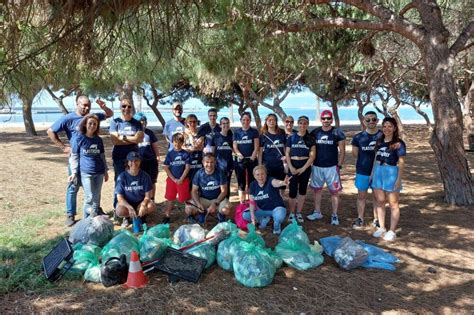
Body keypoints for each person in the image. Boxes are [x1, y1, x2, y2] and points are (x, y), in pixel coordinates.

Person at [47, 96, 113, 226]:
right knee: (73, 185)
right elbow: (50, 131)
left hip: (92, 159)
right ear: (77, 104)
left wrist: (103, 106)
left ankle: (94, 210)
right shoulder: (68, 118)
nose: (86, 108)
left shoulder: (92, 117)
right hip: (77, 158)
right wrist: (63, 147)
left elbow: (110, 114)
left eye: (88, 105)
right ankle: (70, 214)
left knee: (94, 189)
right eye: (83, 105)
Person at [307, 110, 346, 225]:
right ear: (321, 119)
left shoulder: (337, 132)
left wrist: (338, 165)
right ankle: (317, 212)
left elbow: (342, 151)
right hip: (317, 166)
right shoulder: (315, 132)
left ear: (332, 119)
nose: (326, 120)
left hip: (332, 167)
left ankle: (334, 215)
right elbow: (309, 147)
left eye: (328, 118)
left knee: (334, 192)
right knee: (317, 191)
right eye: (324, 118)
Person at [371, 117, 406, 241]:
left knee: (393, 203)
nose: (387, 129)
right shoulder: (379, 141)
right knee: (380, 201)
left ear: (394, 128)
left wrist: (398, 179)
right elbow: (376, 157)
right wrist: (372, 174)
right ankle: (381, 227)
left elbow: (401, 162)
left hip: (391, 172)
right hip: (378, 171)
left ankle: (392, 230)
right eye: (384, 126)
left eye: (389, 126)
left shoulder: (399, 143)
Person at [69, 114, 109, 218]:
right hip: (86, 173)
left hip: (99, 172)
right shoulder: (79, 139)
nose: (92, 125)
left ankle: (93, 220)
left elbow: (102, 156)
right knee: (89, 197)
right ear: (85, 124)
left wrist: (105, 171)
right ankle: (86, 219)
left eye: (95, 124)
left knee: (96, 198)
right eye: (90, 123)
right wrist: (73, 172)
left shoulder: (99, 140)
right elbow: (74, 156)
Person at [109, 98, 144, 208]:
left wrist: (122, 137)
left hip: (134, 159)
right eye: (124, 106)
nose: (126, 108)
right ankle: (118, 208)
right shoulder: (115, 122)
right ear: (120, 108)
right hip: (119, 158)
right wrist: (132, 138)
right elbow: (115, 140)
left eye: (129, 106)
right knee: (119, 182)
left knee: (133, 183)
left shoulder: (137, 123)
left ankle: (133, 206)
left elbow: (139, 139)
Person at [351, 111, 382, 229]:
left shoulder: (382, 136)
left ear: (377, 121)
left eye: (373, 119)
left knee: (377, 196)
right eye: (368, 120)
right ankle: (360, 218)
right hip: (362, 171)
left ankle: (377, 219)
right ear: (364, 122)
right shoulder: (358, 137)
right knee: (361, 195)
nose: (371, 122)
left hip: (378, 172)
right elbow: (355, 154)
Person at [285, 115, 316, 223]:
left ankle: (298, 213)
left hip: (305, 167)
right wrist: (291, 167)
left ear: (307, 124)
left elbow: (312, 156)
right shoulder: (291, 137)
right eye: (301, 123)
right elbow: (287, 153)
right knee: (292, 192)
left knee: (302, 191)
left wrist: (303, 168)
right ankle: (291, 213)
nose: (302, 125)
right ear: (298, 124)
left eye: (305, 123)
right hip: (293, 166)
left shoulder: (310, 139)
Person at [242, 165, 290, 235]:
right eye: (257, 175)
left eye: (262, 174)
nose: (260, 177)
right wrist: (252, 215)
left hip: (276, 209)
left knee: (279, 216)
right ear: (254, 176)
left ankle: (277, 225)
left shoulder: (270, 180)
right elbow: (252, 202)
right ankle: (263, 219)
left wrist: (283, 182)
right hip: (262, 210)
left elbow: (276, 182)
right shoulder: (253, 185)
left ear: (266, 174)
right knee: (246, 215)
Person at [186, 153, 232, 224]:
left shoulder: (220, 173)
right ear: (203, 162)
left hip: (217, 199)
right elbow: (194, 191)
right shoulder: (199, 174)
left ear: (215, 162)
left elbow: (224, 191)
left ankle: (220, 216)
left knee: (225, 210)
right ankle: (200, 214)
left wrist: (215, 203)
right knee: (188, 209)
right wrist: (198, 204)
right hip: (203, 199)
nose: (209, 165)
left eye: (212, 162)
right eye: (207, 162)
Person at [115, 151, 157, 227]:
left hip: (140, 202)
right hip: (127, 203)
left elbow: (148, 196)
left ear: (140, 162)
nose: (134, 163)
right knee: (119, 211)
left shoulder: (145, 176)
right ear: (127, 162)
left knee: (151, 206)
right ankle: (126, 218)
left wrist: (143, 204)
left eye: (136, 160)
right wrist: (129, 207)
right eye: (131, 161)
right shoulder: (122, 177)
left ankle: (141, 217)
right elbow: (119, 197)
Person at [162, 133, 191, 223]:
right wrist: (173, 179)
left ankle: (189, 215)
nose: (177, 144)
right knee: (170, 198)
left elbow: (187, 167)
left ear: (182, 143)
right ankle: (167, 215)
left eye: (179, 142)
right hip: (172, 180)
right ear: (172, 142)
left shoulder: (185, 154)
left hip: (183, 180)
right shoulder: (170, 154)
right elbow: (166, 167)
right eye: (175, 142)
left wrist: (181, 178)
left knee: (185, 198)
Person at [233, 112, 260, 203]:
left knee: (252, 182)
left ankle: (252, 202)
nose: (246, 121)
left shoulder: (254, 132)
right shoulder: (236, 132)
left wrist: (252, 157)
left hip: (252, 160)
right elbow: (235, 147)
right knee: (241, 183)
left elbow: (256, 146)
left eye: (248, 119)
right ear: (241, 120)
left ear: (250, 120)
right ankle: (242, 203)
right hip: (240, 161)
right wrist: (240, 156)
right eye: (244, 119)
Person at [134, 112, 160, 201]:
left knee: (152, 181)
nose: (142, 123)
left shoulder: (150, 133)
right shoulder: (133, 133)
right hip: (137, 162)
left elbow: (155, 146)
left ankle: (152, 199)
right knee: (140, 181)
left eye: (143, 121)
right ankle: (141, 199)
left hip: (150, 161)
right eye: (139, 122)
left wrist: (157, 156)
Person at [259, 113, 287, 182]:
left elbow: (285, 148)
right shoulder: (263, 135)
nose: (272, 122)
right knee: (269, 186)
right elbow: (260, 153)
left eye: (274, 120)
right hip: (268, 166)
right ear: (266, 121)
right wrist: (260, 166)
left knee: (281, 186)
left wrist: (286, 159)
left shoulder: (281, 133)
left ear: (276, 122)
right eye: (270, 120)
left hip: (280, 166)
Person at [211, 117, 234, 199]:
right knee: (217, 184)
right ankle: (217, 202)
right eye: (223, 123)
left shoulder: (231, 136)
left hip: (229, 165)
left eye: (227, 123)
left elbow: (235, 150)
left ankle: (226, 201)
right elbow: (212, 152)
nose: (226, 125)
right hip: (218, 165)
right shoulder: (216, 136)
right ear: (220, 125)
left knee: (227, 184)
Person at [183, 114, 204, 187]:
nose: (192, 124)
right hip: (186, 163)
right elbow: (181, 147)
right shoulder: (183, 135)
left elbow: (196, 146)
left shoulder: (200, 135)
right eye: (190, 121)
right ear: (187, 123)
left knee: (197, 183)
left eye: (194, 122)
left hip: (198, 162)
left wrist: (190, 135)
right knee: (187, 183)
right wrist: (190, 148)